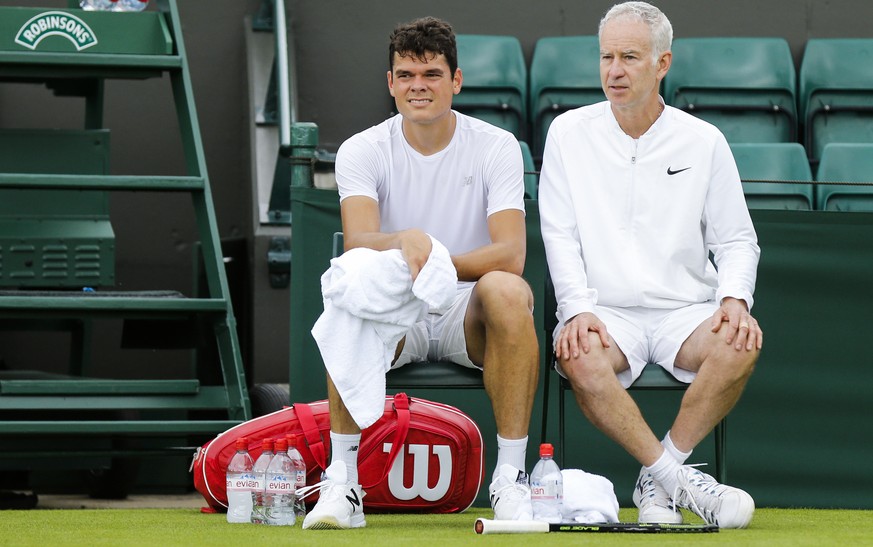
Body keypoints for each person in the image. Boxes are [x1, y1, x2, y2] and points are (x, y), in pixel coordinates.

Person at [303, 16, 539, 530]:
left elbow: (510, 254)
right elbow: (362, 241)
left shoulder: (496, 146)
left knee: (508, 289)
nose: (418, 86)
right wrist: (406, 244)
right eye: (406, 75)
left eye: (431, 74)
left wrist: (431, 259)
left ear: (456, 81)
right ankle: (341, 484)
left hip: (466, 309)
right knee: (352, 288)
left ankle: (511, 480)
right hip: (395, 305)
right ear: (390, 84)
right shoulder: (362, 149)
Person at [538, 1, 762, 529]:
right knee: (580, 356)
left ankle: (656, 478)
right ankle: (676, 479)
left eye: (630, 57)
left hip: (686, 310)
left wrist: (734, 299)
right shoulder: (568, 133)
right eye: (606, 57)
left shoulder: (704, 140)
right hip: (604, 311)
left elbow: (737, 240)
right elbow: (559, 236)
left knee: (741, 339)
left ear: (662, 64)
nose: (614, 71)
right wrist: (574, 309)